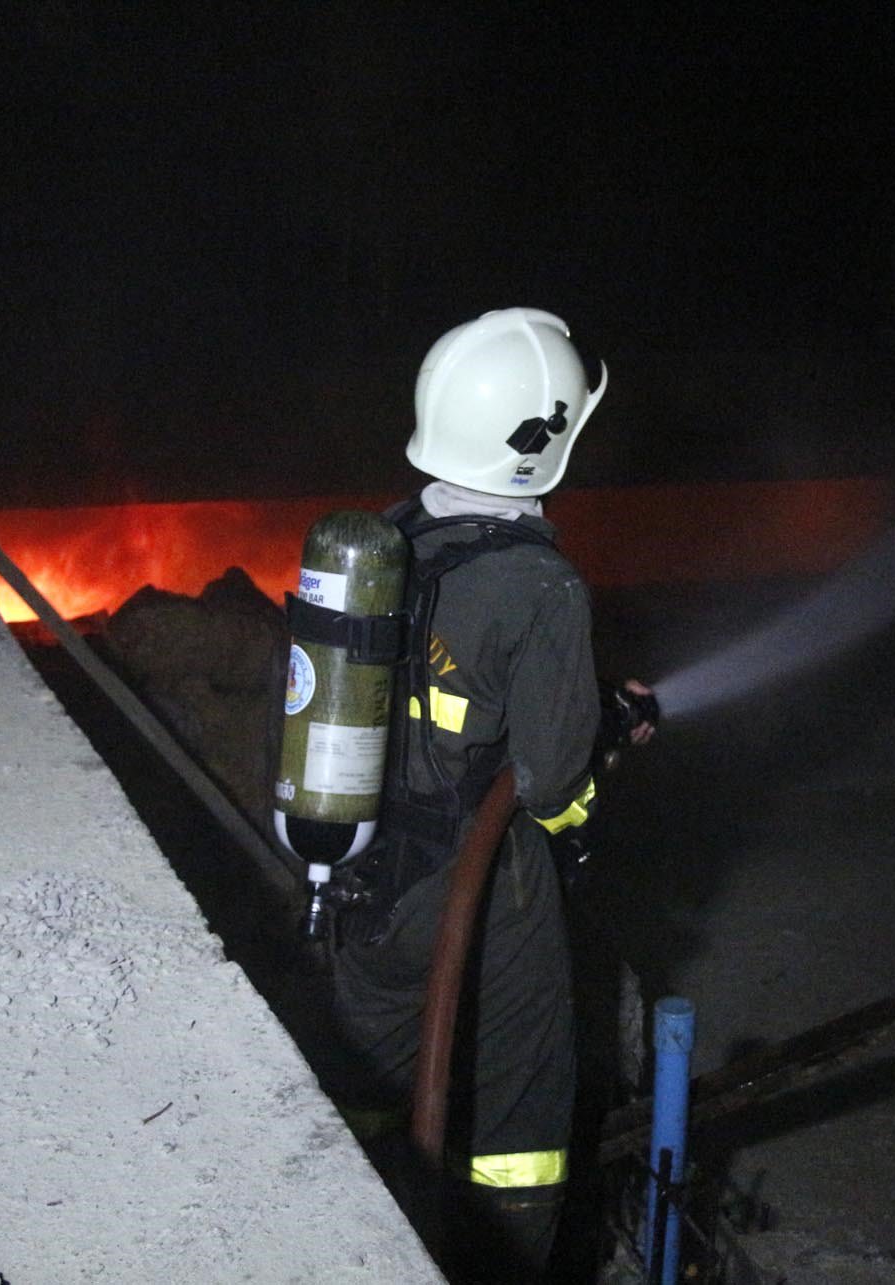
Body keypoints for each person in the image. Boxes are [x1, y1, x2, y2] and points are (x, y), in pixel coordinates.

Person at [329, 307, 653, 1280]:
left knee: (363, 1089)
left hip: (355, 875)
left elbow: (447, 695)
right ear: (542, 438)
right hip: (473, 893)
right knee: (522, 1117)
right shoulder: (541, 584)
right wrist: (598, 751)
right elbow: (548, 786)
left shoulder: (386, 536)